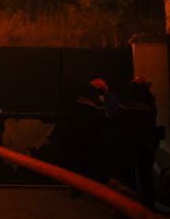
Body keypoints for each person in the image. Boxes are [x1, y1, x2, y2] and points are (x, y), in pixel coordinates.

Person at [112, 77, 159, 208]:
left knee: (128, 174)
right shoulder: (150, 104)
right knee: (146, 176)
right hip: (145, 145)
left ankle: (129, 204)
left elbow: (115, 120)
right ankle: (149, 205)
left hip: (127, 144)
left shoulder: (125, 104)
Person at [63, 77, 110, 195]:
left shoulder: (79, 99)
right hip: (91, 138)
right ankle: (91, 188)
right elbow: (104, 119)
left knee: (77, 163)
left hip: (76, 137)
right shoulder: (97, 102)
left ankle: (76, 189)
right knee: (89, 163)